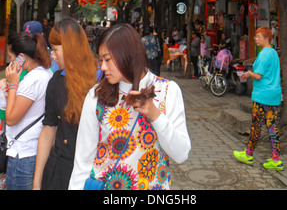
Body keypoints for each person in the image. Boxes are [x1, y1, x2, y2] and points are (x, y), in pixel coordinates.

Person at [68, 23, 191, 190]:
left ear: (127, 55)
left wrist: (155, 116)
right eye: (101, 59)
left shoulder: (168, 91)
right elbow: (82, 160)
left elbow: (181, 154)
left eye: (107, 59)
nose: (103, 67)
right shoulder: (96, 96)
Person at [33, 18, 99, 190]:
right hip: (58, 170)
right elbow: (48, 129)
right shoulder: (56, 81)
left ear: (71, 48)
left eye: (55, 49)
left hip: (90, 173)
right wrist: (36, 182)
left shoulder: (99, 81)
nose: (52, 56)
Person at [4, 32, 52, 190]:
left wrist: (13, 84)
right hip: (33, 149)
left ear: (21, 57)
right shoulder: (45, 73)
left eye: (12, 57)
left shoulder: (32, 80)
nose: (11, 62)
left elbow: (10, 118)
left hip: (22, 154)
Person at [233, 27, 283, 171]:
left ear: (266, 38)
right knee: (272, 126)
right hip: (274, 95)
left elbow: (259, 75)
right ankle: (276, 159)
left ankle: (248, 154)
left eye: (258, 36)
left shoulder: (264, 54)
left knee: (256, 125)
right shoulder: (274, 52)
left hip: (262, 95)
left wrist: (248, 73)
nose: (255, 39)